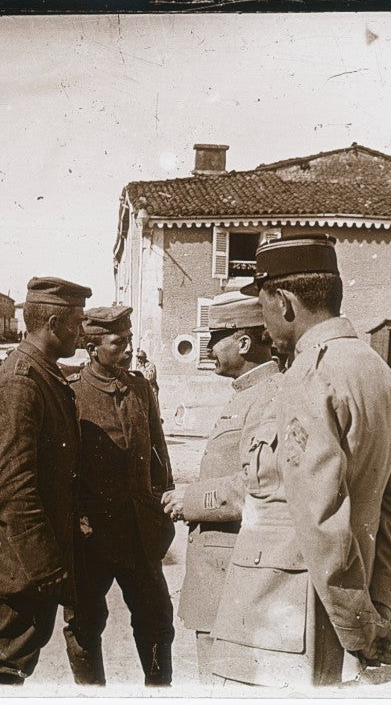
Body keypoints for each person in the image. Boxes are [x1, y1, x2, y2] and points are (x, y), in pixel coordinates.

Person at [211, 235, 391, 686]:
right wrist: (379, 611)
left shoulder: (308, 375)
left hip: (278, 627)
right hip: (330, 622)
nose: (263, 325)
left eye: (263, 307)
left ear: (284, 302)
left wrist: (359, 628)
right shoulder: (376, 369)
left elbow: (319, 514)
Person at [0, 276, 91, 685]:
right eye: (77, 323)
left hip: (22, 555)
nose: (82, 333)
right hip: (18, 559)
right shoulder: (21, 383)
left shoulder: (40, 373)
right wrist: (46, 566)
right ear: (53, 325)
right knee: (6, 661)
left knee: (11, 655)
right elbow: (11, 487)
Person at [162, 291, 280, 681]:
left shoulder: (269, 396)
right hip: (220, 572)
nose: (209, 347)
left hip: (233, 573)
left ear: (244, 343)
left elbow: (258, 485)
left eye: (215, 338)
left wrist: (190, 499)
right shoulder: (250, 393)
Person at [61, 304, 176, 686]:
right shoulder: (72, 393)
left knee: (157, 620)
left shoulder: (140, 387)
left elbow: (159, 452)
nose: (127, 349)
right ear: (92, 348)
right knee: (84, 624)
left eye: (129, 340)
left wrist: (163, 506)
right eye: (118, 343)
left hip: (140, 533)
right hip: (92, 538)